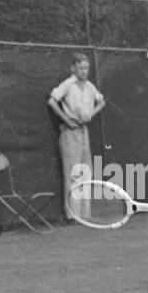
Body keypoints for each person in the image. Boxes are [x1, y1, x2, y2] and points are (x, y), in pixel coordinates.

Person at [48, 52, 105, 219]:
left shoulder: (89, 86)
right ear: (73, 68)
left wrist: (91, 114)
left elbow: (101, 101)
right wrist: (66, 119)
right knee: (73, 173)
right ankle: (73, 215)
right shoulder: (68, 84)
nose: (84, 71)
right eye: (80, 68)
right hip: (69, 131)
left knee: (86, 172)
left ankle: (86, 215)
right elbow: (52, 101)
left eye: (86, 68)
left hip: (84, 130)